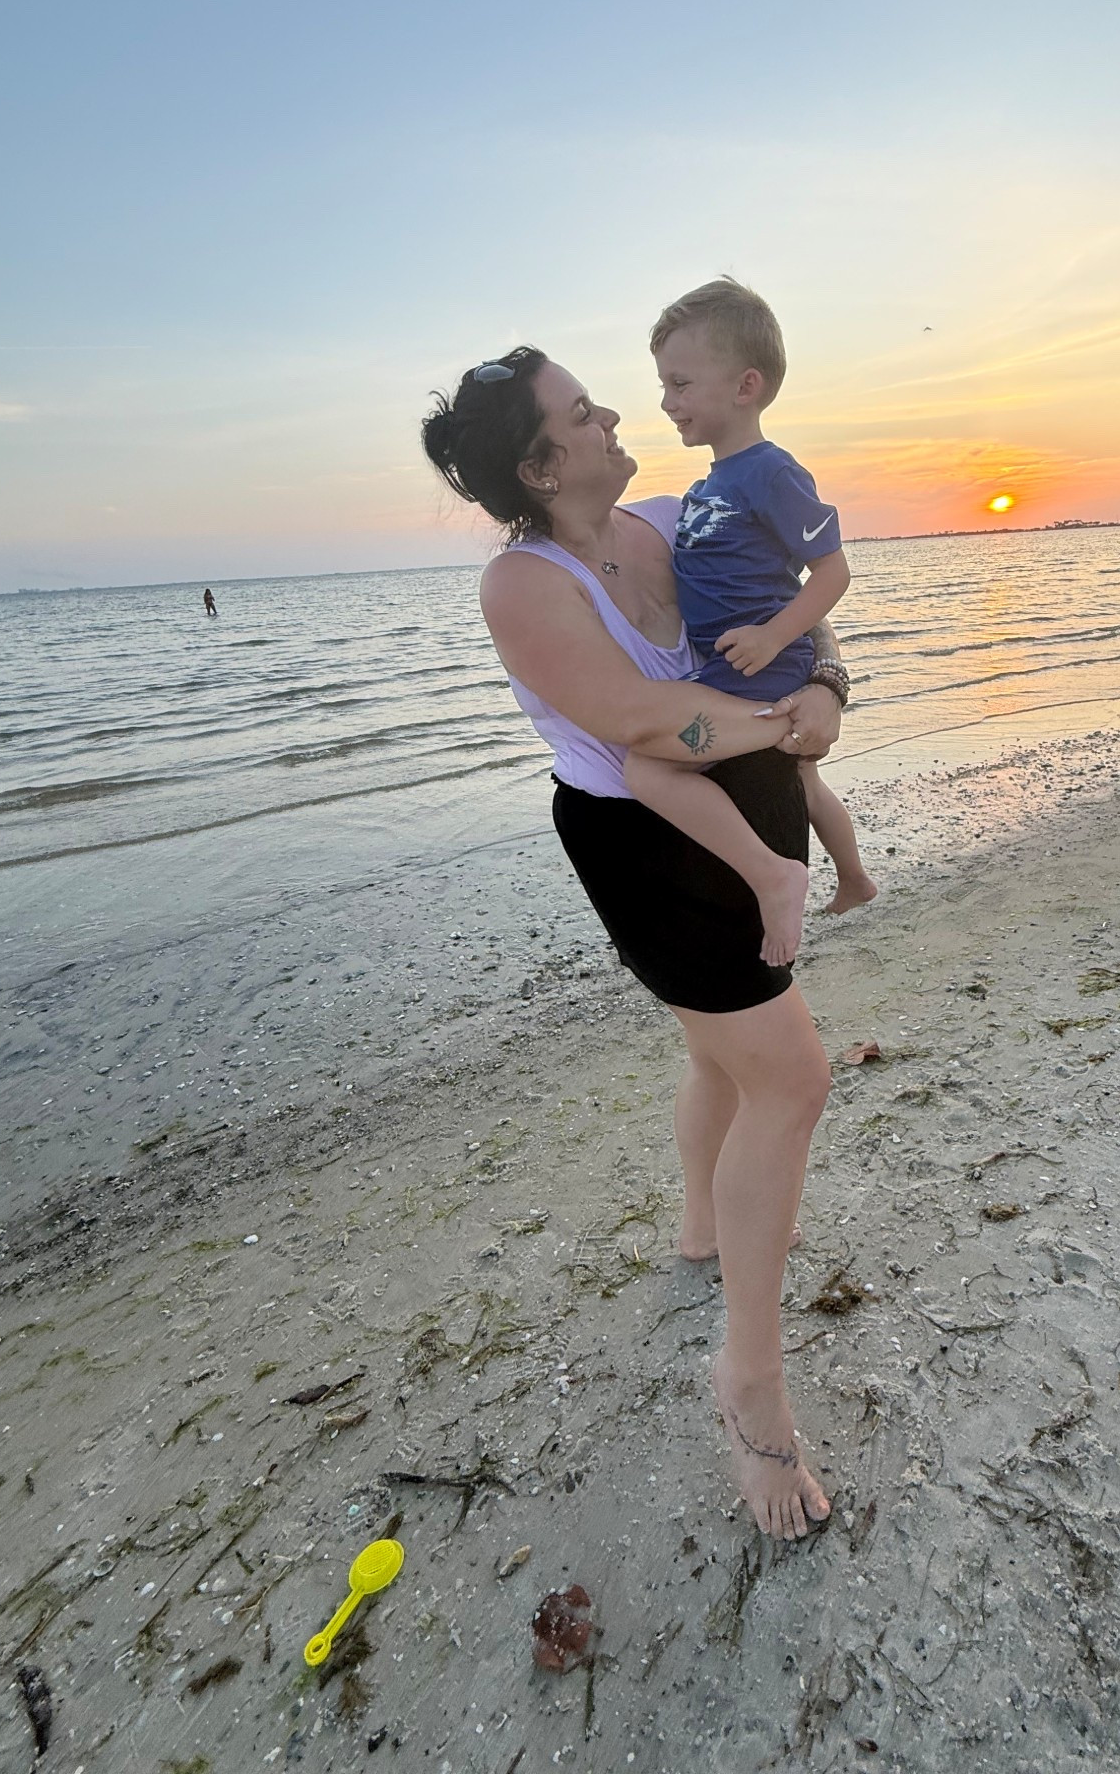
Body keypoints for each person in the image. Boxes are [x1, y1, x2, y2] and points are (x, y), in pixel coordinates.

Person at [421, 346, 847, 1540]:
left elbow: (793, 613)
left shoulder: (674, 516)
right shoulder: (524, 583)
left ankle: (704, 1228)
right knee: (794, 1076)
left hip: (749, 797)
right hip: (647, 846)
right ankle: (748, 1380)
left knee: (726, 1062)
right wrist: (784, 717)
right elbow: (635, 718)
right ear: (538, 463)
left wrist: (827, 695)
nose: (612, 413)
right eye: (580, 411)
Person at [621, 279, 877, 965]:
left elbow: (832, 572)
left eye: (680, 384)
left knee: (648, 769)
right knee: (803, 780)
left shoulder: (771, 473)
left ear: (745, 386)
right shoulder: (708, 485)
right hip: (729, 670)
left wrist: (776, 636)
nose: (667, 402)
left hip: (762, 670)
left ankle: (776, 876)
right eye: (663, 386)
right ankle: (853, 878)